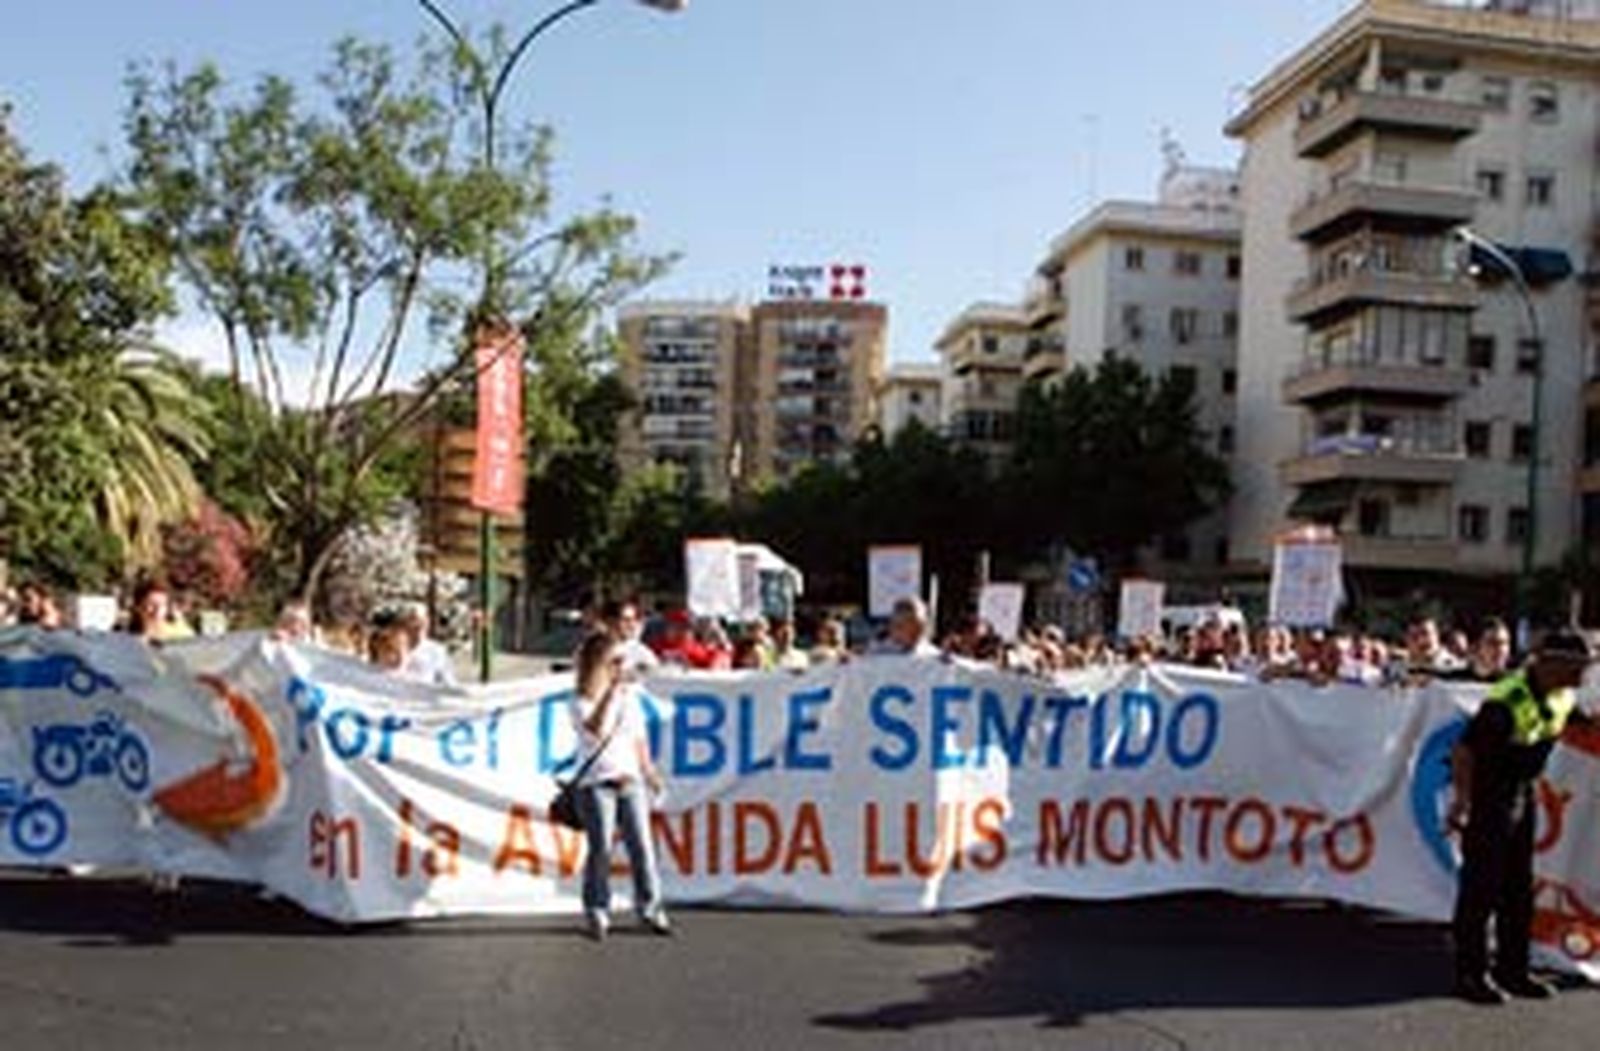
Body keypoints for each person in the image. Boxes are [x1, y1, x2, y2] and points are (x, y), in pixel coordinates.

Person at [1449, 630, 1597, 1004]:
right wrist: (1463, 802)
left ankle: (1512, 970)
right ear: (1552, 664)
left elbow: (1584, 723)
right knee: (1481, 890)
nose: (1585, 675)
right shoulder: (1506, 701)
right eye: (1579, 667)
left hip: (1522, 795)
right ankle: (1471, 974)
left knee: (1518, 890)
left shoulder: (1562, 694)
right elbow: (1465, 752)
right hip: (1490, 799)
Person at [569, 631, 671, 941]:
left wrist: (650, 771)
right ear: (597, 664)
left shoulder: (631, 697)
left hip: (630, 780)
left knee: (642, 846)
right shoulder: (579, 700)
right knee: (601, 848)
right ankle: (597, 908)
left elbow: (637, 738)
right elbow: (595, 730)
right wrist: (611, 693)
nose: (619, 667)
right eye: (613, 661)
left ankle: (650, 907)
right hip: (597, 782)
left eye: (620, 662)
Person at [400, 604, 457, 687]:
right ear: (405, 624)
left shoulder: (437, 650)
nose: (418, 624)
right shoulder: (394, 648)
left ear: (427, 623)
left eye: (423, 621)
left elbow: (449, 682)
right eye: (413, 620)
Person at [601, 599, 659, 679]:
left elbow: (655, 676)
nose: (632, 625)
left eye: (634, 620)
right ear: (610, 621)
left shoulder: (640, 651)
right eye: (626, 620)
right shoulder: (593, 648)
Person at [869, 596, 940, 657]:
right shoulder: (876, 654)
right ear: (892, 628)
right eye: (901, 626)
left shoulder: (933, 655)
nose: (914, 631)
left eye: (920, 626)